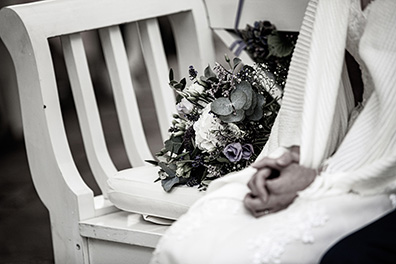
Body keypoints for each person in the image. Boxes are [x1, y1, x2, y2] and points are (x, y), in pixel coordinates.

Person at [150, 0, 396, 263]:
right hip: (343, 143)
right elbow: (323, 81)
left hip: (381, 166)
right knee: (190, 241)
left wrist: (319, 177)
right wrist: (294, 154)